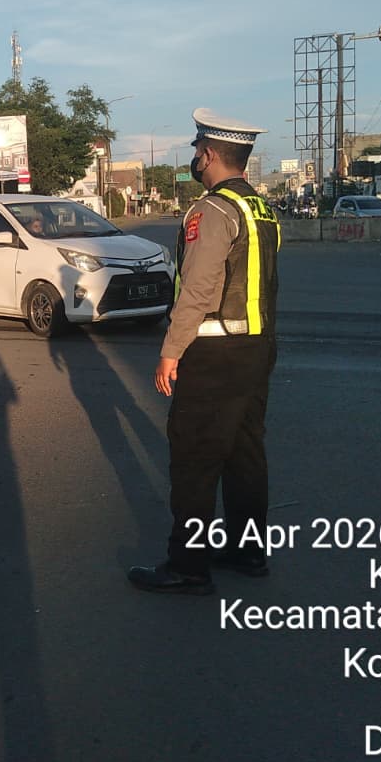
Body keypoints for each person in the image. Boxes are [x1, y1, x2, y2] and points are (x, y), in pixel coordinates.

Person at [128, 108, 280, 595]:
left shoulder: (212, 211)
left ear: (209, 154)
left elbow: (198, 288)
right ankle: (247, 551)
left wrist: (171, 351)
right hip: (257, 347)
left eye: (197, 150)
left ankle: (188, 566)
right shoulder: (260, 208)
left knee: (195, 458)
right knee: (244, 454)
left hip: (215, 352)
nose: (194, 158)